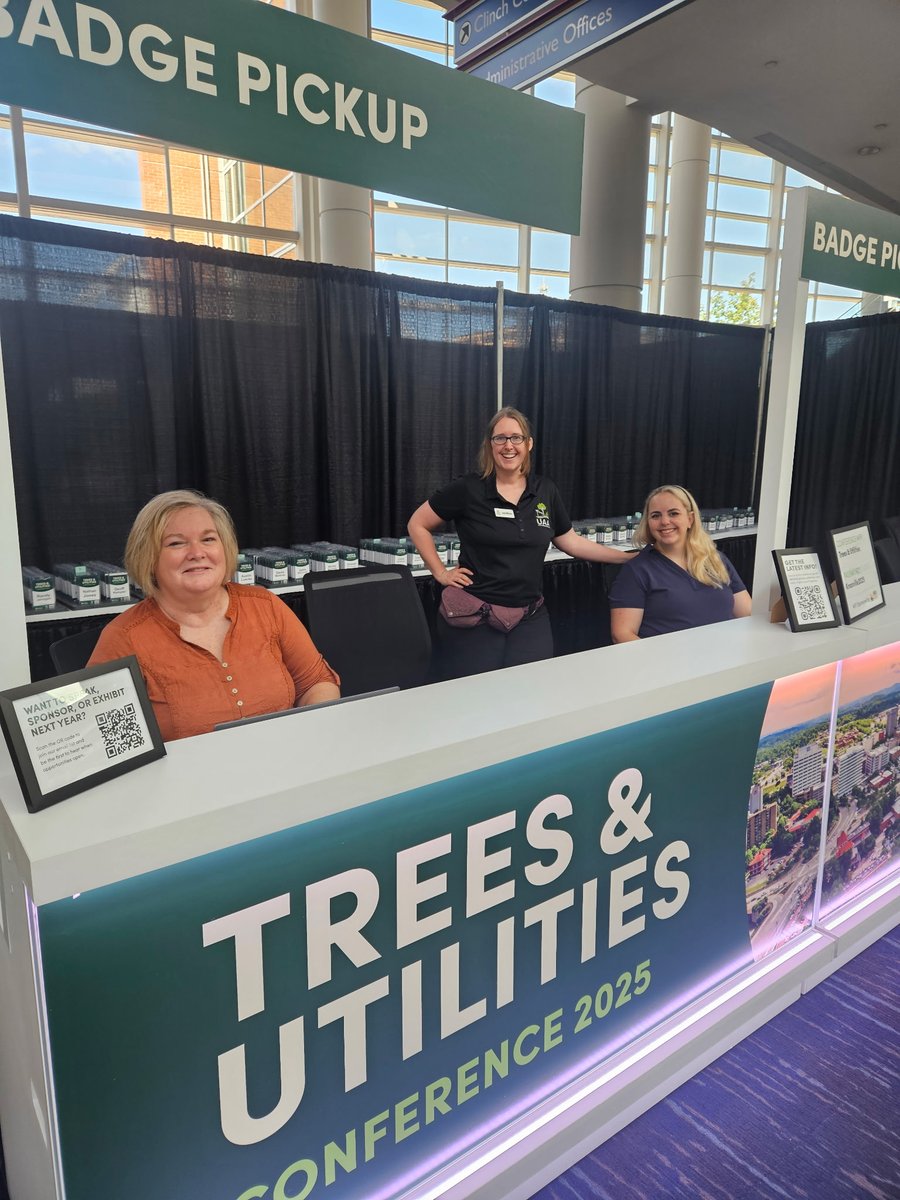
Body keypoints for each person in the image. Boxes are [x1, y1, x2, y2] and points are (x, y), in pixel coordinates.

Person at [88, 490, 339, 740]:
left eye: (208, 539)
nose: (197, 553)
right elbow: (101, 737)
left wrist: (310, 738)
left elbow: (316, 682)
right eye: (176, 543)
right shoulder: (123, 638)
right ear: (148, 558)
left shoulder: (265, 606)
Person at [407, 407, 633, 677]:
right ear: (490, 444)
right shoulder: (469, 488)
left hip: (529, 617)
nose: (508, 446)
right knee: (477, 696)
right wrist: (440, 572)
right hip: (476, 617)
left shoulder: (545, 490)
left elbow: (570, 542)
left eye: (516, 438)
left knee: (531, 689)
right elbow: (417, 524)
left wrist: (626, 558)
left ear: (529, 444)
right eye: (500, 438)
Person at [609, 484, 751, 641]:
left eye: (673, 513)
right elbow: (622, 635)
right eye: (655, 516)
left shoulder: (716, 560)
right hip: (667, 656)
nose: (664, 521)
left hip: (725, 652)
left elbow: (747, 613)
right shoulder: (637, 571)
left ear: (690, 519)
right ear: (648, 523)